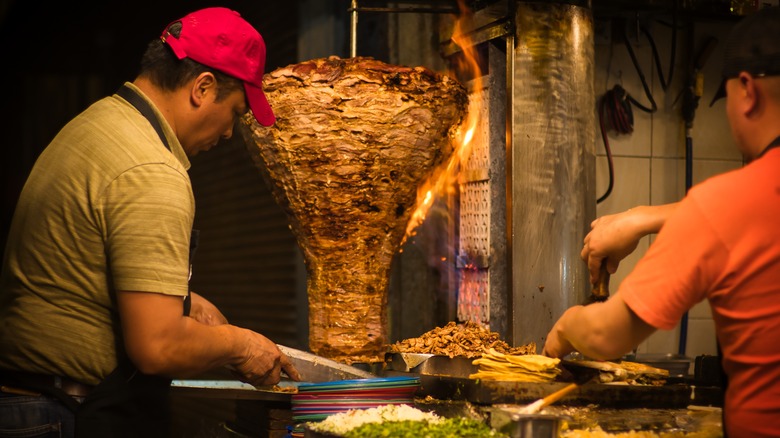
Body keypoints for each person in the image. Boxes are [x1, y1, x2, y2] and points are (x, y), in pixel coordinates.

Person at [0, 7, 300, 437]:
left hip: (28, 403)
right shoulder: (150, 168)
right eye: (236, 111)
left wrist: (184, 302)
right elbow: (159, 347)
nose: (232, 132)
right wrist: (239, 343)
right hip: (59, 413)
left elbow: (79, 264)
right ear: (203, 87)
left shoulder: (99, 124)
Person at [543, 7, 780, 438]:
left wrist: (564, 328)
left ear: (748, 92)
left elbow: (605, 337)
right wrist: (643, 219)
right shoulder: (729, 207)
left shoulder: (723, 205)